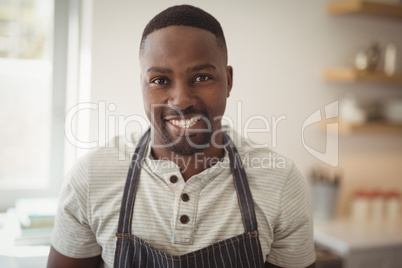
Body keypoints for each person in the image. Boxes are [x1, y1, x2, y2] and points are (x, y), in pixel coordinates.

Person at [47, 5, 316, 268]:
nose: (182, 100)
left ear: (229, 81)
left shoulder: (281, 182)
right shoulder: (91, 177)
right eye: (160, 80)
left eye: (201, 77)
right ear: (142, 85)